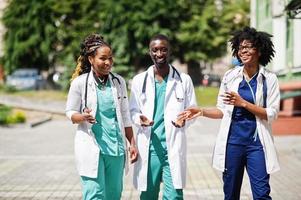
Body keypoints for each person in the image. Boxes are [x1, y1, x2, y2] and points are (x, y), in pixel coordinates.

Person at [178, 26, 280, 200]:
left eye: (248, 47)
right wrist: (201, 111)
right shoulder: (230, 77)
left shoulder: (269, 79)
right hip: (233, 143)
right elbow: (222, 110)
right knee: (231, 193)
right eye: (240, 48)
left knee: (262, 194)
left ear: (259, 50)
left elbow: (272, 114)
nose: (243, 51)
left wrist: (244, 104)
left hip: (257, 145)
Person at [65, 33, 138, 200]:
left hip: (116, 150)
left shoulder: (119, 82)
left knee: (113, 195)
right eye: (103, 58)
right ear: (91, 59)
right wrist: (82, 117)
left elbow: (125, 116)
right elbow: (69, 112)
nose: (108, 62)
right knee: (94, 195)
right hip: (91, 148)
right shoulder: (80, 83)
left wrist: (132, 143)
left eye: (110, 58)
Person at [129, 34, 197, 199]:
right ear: (150, 52)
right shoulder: (139, 81)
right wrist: (139, 119)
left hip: (173, 146)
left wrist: (185, 119)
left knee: (174, 196)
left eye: (164, 49)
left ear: (170, 51)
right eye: (155, 50)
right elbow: (132, 111)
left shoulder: (184, 80)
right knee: (148, 195)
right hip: (150, 148)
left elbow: (192, 110)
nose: (159, 54)